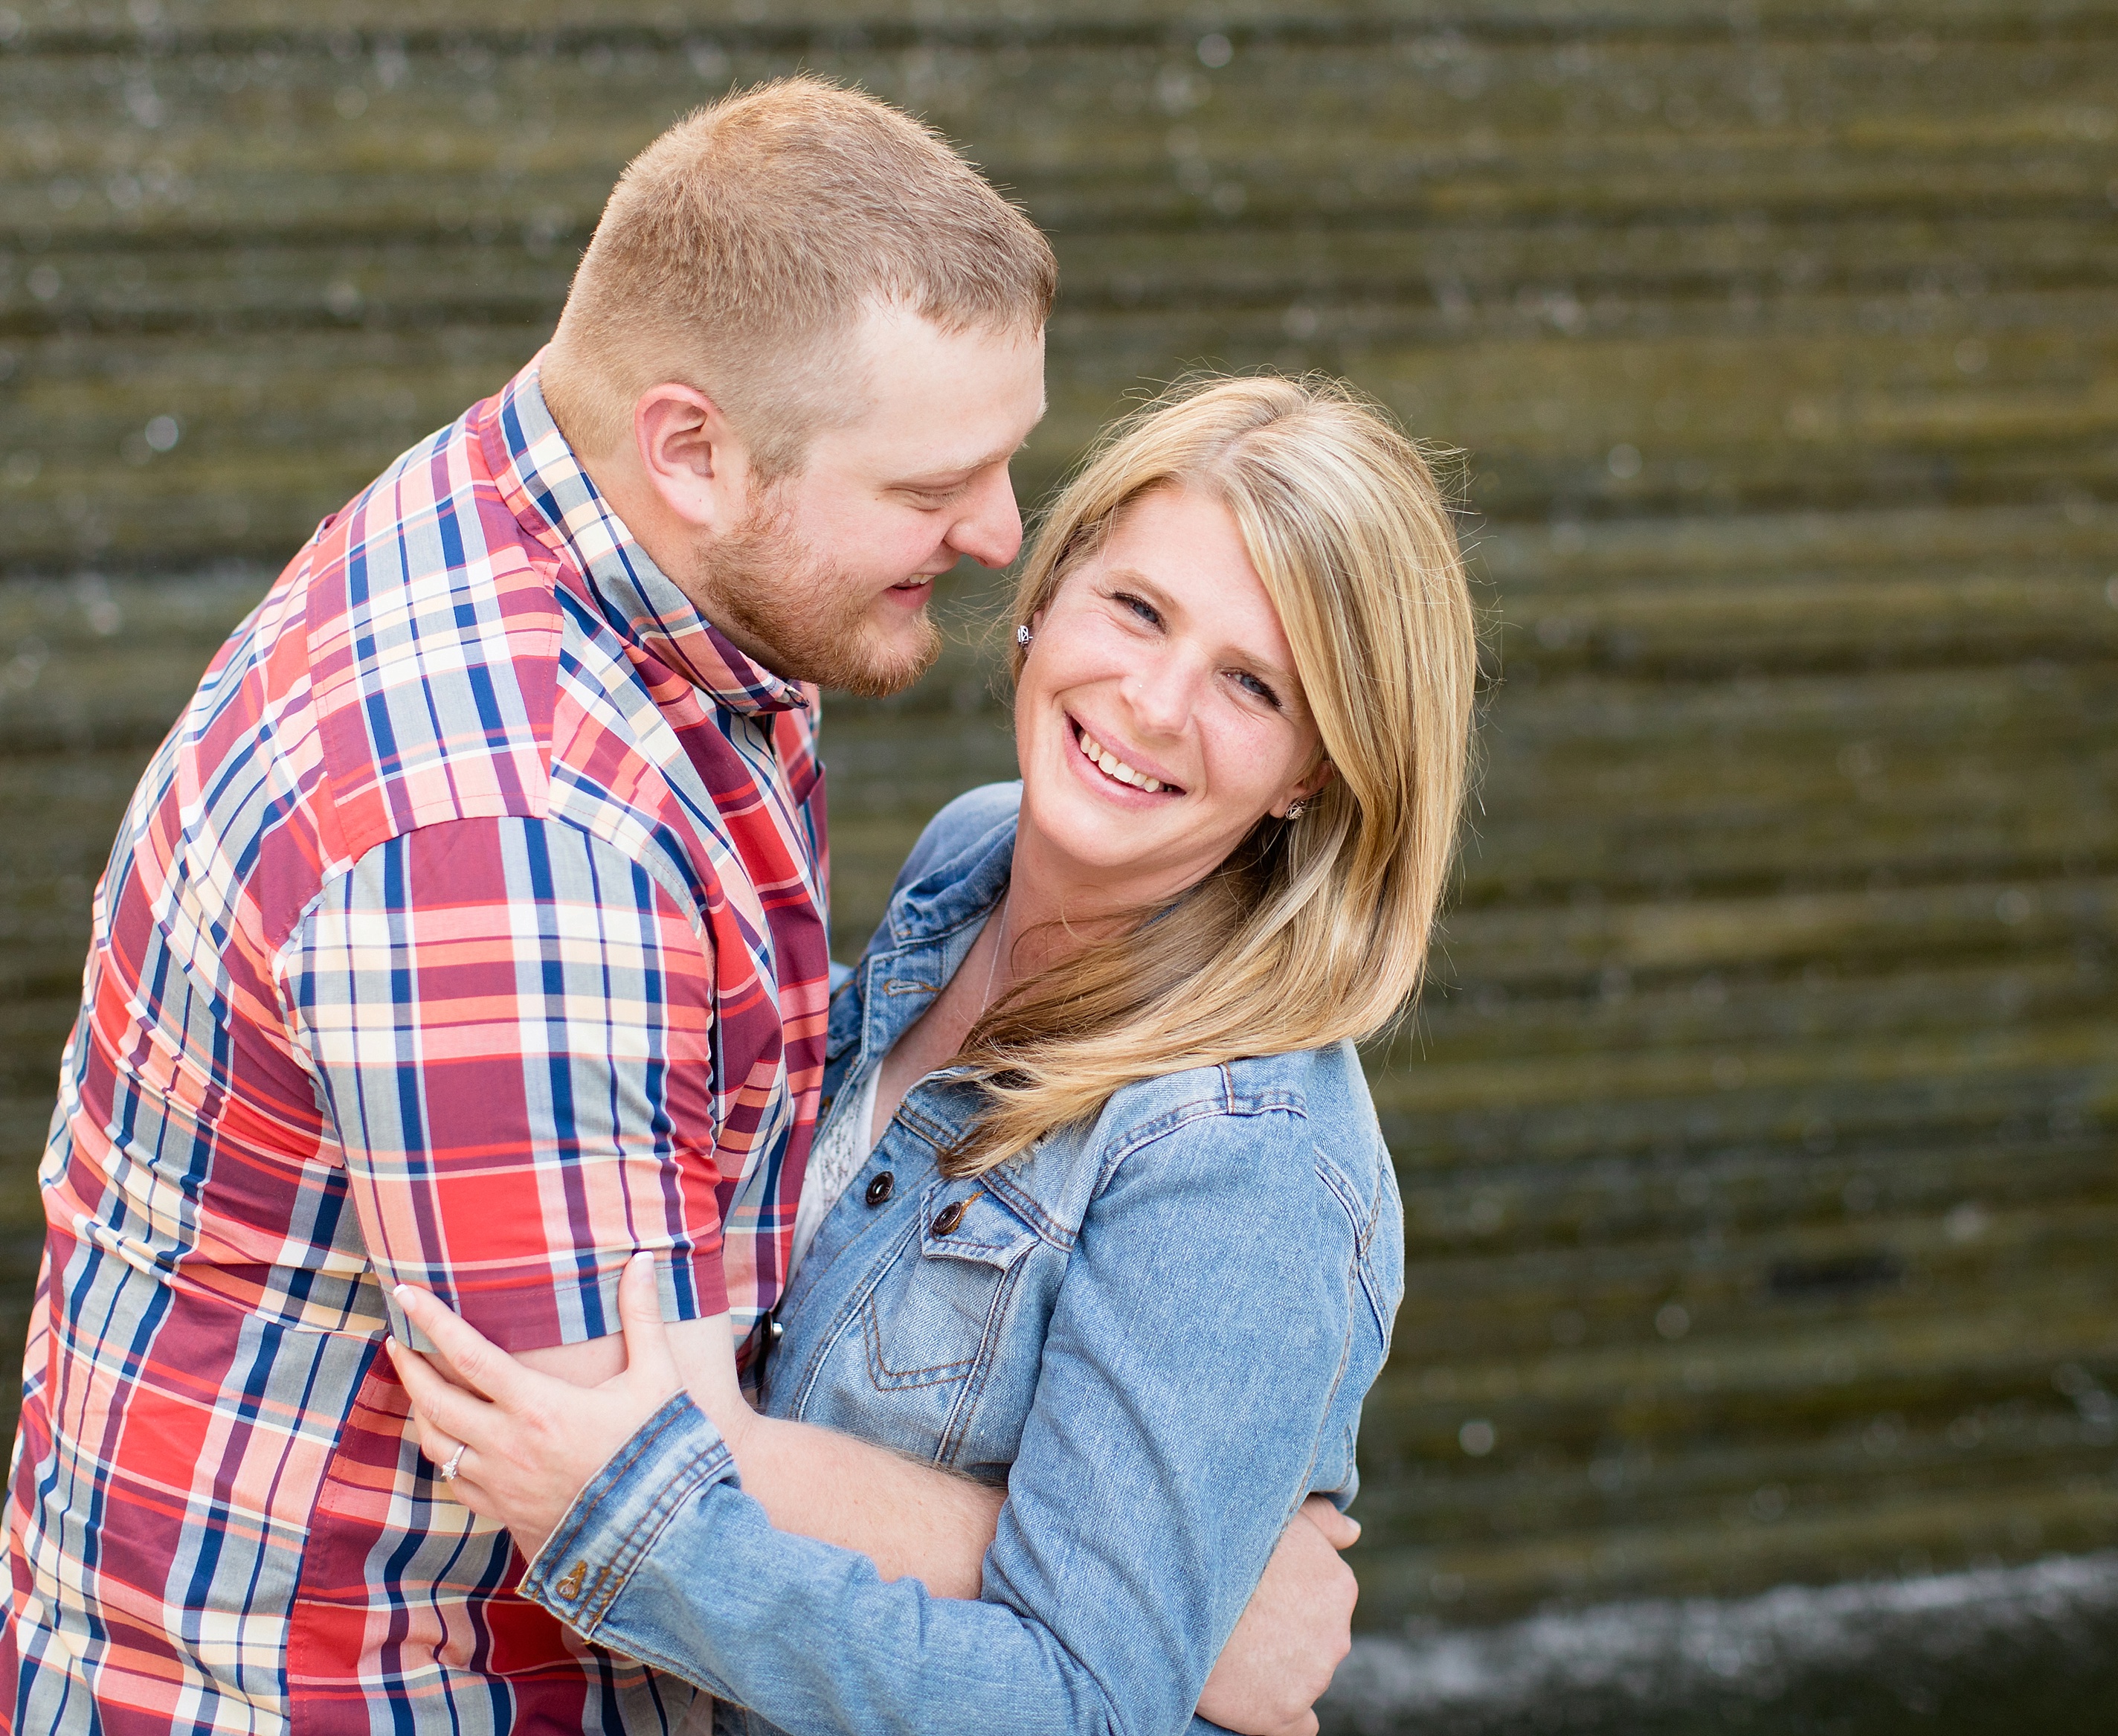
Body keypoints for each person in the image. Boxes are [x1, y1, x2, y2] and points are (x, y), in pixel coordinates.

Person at [1, 80, 1348, 1735]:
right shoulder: (518, 843)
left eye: (1008, 461)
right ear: (690, 450)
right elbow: (630, 1470)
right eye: (935, 484)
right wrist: (1179, 1604)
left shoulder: (604, 549)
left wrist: (1134, 1579)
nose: (1004, 534)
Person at [382, 371, 1478, 1736]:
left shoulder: (1241, 1156)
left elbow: (1078, 1708)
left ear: (1315, 768)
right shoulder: (973, 861)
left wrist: (637, 1524)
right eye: (1138, 609)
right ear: (1048, 596)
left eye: (1251, 684)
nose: (1151, 702)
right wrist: (1189, 1604)